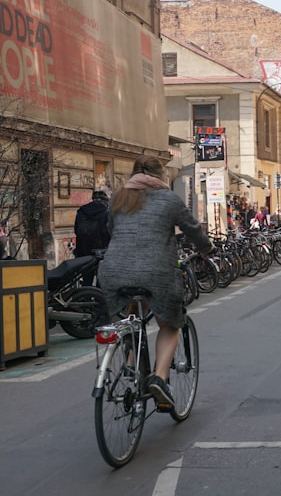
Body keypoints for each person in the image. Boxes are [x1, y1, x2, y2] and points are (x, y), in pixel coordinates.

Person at [98, 155, 214, 411]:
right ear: (160, 175)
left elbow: (110, 229)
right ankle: (159, 378)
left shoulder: (118, 198)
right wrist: (206, 249)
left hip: (113, 269)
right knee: (171, 324)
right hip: (156, 271)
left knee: (129, 315)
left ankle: (130, 360)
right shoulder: (169, 199)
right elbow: (193, 229)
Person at [74, 190, 111, 285]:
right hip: (101, 252)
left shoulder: (81, 211)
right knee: (101, 281)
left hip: (83, 252)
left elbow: (76, 230)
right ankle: (98, 298)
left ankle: (85, 297)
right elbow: (107, 232)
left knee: (86, 279)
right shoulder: (105, 213)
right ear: (105, 201)